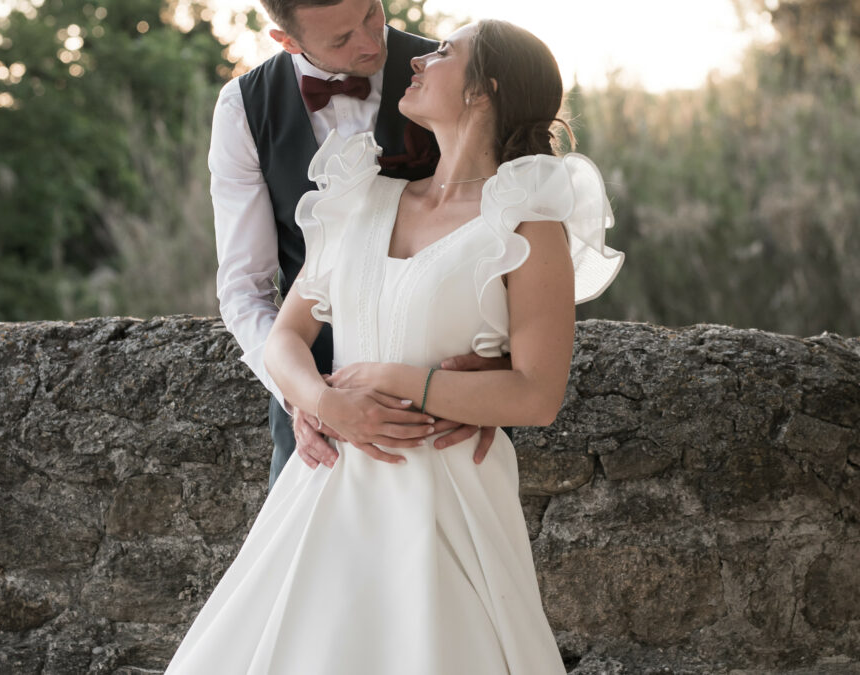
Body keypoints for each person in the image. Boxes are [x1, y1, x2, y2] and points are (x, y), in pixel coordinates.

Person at [166, 19, 623, 674]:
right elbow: (281, 331)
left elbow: (537, 390)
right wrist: (320, 397)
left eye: (444, 54)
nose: (416, 57)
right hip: (327, 476)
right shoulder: (357, 198)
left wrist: (402, 378)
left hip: (445, 492)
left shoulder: (526, 222)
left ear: (483, 91)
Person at [211, 0, 499, 489]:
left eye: (371, 13)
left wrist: (497, 371)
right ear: (288, 41)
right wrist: (307, 398)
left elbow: (520, 234)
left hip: (448, 416)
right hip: (318, 426)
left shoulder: (456, 73)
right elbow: (244, 288)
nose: (371, 42)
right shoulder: (244, 107)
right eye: (341, 39)